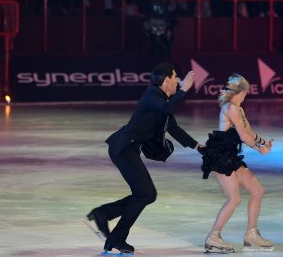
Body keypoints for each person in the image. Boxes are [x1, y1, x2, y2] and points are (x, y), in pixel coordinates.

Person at [85, 63, 202, 255]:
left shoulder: (162, 100)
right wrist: (185, 89)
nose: (178, 82)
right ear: (166, 80)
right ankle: (115, 237)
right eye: (175, 78)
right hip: (123, 149)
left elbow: (174, 128)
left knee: (146, 194)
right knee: (146, 193)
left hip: (128, 149)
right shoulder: (152, 95)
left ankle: (104, 215)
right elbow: (166, 109)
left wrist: (198, 146)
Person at [200, 74, 273, 253]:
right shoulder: (231, 108)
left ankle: (252, 233)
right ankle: (213, 237)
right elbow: (244, 137)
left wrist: (263, 143)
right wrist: (260, 149)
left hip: (230, 155)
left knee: (257, 191)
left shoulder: (239, 109)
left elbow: (249, 131)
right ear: (244, 91)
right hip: (220, 157)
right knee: (234, 199)